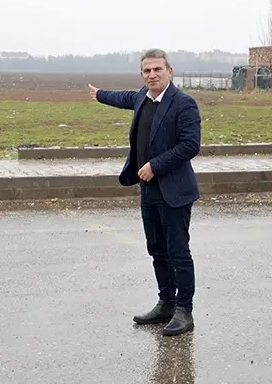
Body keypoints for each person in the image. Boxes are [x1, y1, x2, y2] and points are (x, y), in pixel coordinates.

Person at [88, 48, 201, 336]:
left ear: (169, 71)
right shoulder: (142, 97)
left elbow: (190, 145)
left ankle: (184, 310)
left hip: (174, 192)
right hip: (148, 191)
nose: (152, 75)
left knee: (178, 252)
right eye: (147, 71)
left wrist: (155, 166)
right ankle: (166, 303)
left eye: (157, 69)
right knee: (157, 250)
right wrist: (99, 95)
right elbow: (124, 97)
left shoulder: (183, 104)